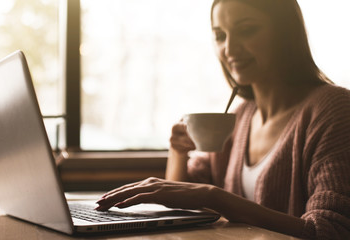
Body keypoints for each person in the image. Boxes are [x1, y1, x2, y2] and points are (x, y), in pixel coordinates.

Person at [96, 0, 350, 239]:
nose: (229, 49)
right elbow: (183, 194)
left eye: (247, 30)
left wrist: (217, 198)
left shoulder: (334, 109)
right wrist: (178, 151)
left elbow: (331, 230)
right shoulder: (239, 116)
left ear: (285, 33)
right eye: (220, 36)